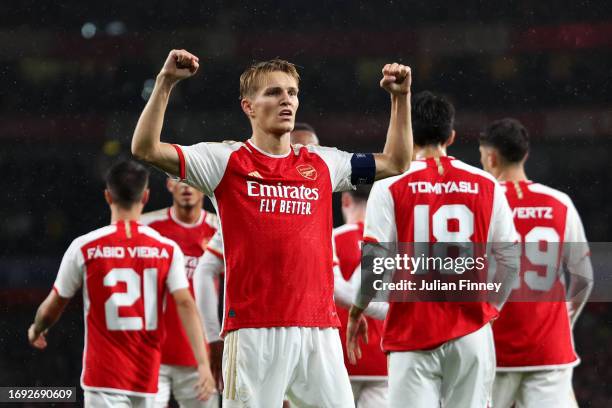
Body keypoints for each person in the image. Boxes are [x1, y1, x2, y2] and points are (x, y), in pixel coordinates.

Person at [131, 49, 412, 408]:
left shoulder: (324, 163)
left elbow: (397, 161)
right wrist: (166, 82)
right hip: (252, 332)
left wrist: (399, 98)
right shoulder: (223, 161)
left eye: (292, 93)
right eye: (274, 92)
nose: (287, 101)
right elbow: (144, 148)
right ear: (248, 106)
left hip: (319, 330)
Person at [348, 91, 520, 408]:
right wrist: (492, 307)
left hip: (411, 332)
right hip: (471, 334)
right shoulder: (486, 184)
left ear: (409, 132)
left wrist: (358, 310)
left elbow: (376, 262)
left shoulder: (388, 185)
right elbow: (510, 259)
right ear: (451, 136)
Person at [27, 160, 215, 408]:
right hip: (147, 376)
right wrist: (204, 361)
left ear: (107, 196)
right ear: (146, 196)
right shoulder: (167, 249)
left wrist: (37, 328)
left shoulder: (84, 246)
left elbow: (53, 306)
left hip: (102, 378)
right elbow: (186, 304)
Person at [479, 118, 593, 408]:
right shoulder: (559, 202)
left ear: (491, 157)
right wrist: (565, 319)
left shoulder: (482, 203)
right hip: (549, 348)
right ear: (525, 154)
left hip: (495, 346)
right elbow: (584, 279)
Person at [140, 177, 220, 408]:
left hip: (201, 355)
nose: (186, 186)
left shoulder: (220, 229)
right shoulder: (147, 227)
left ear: (205, 187)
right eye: (178, 179)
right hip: (152, 353)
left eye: (193, 180)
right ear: (169, 185)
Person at [332, 186, 389, 407]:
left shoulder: (332, 239)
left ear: (346, 200)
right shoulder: (391, 244)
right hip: (382, 359)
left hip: (341, 357)